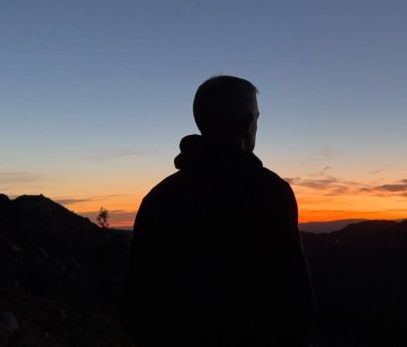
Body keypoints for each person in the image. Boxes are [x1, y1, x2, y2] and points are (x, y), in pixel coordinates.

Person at [121, 75, 315, 346]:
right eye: (257, 117)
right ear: (247, 123)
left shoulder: (159, 197)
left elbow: (136, 301)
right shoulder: (269, 192)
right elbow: (294, 295)